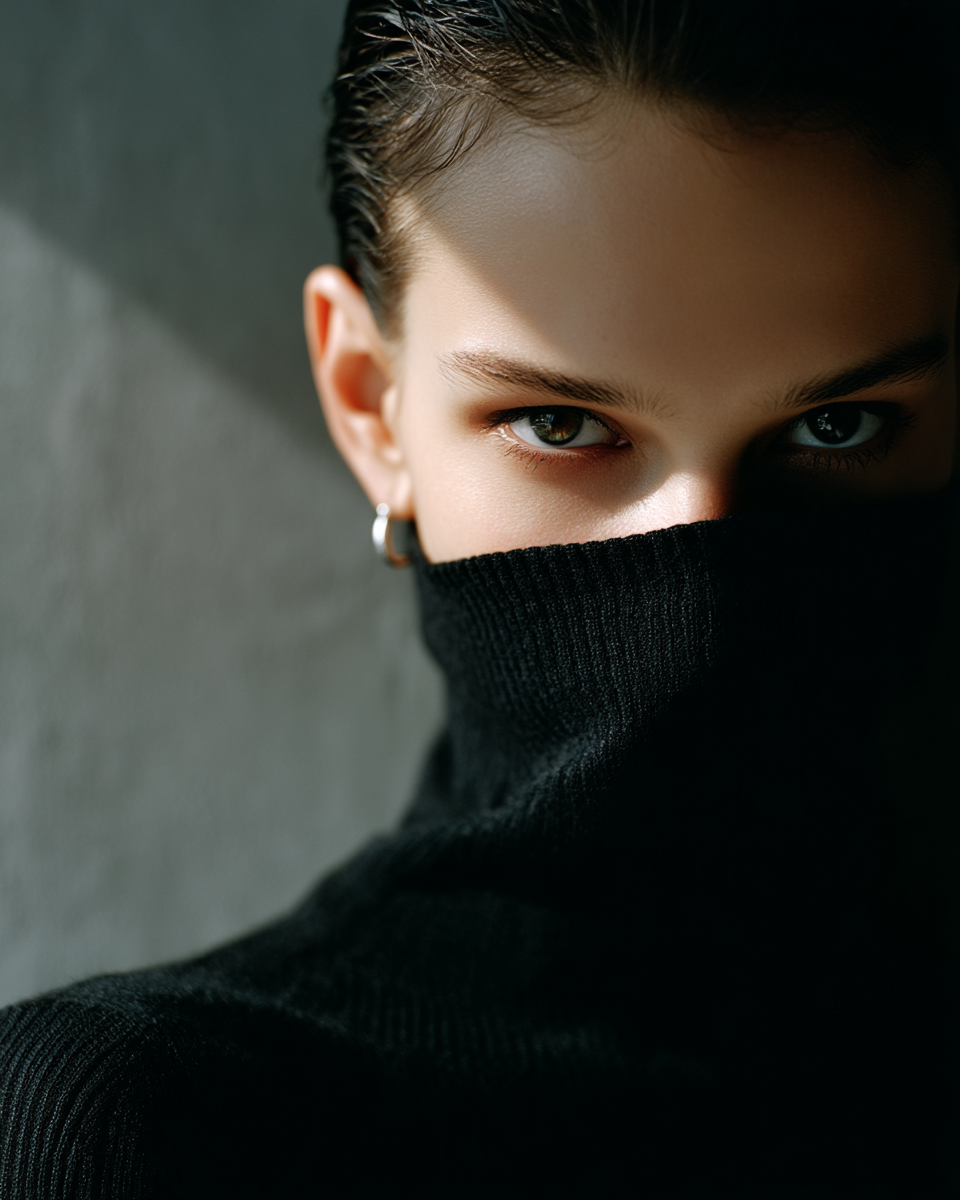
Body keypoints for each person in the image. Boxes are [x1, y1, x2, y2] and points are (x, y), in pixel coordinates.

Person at [2, 1, 958, 1195]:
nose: (706, 579)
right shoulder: (144, 1134)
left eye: (839, 426)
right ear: (371, 407)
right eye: (560, 424)